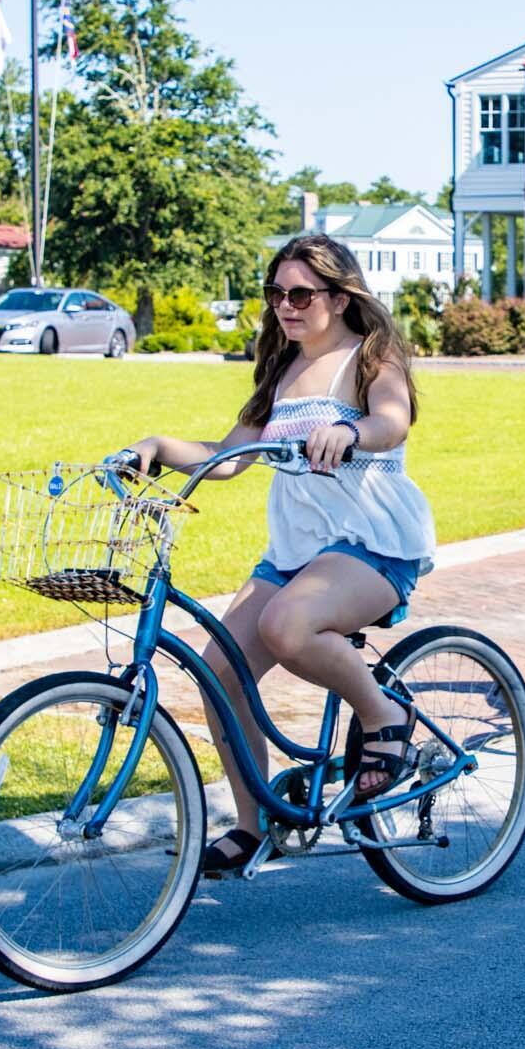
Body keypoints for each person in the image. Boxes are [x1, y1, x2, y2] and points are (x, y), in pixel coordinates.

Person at [119, 235, 437, 873]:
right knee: (218, 672)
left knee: (285, 625)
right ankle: (253, 824)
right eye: (275, 295)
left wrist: (350, 432)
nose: (285, 307)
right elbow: (226, 459)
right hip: (297, 555)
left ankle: (385, 715)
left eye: (300, 294)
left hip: (371, 543)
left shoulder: (370, 358)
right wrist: (156, 446)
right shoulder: (281, 372)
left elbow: (392, 422)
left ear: (340, 298)